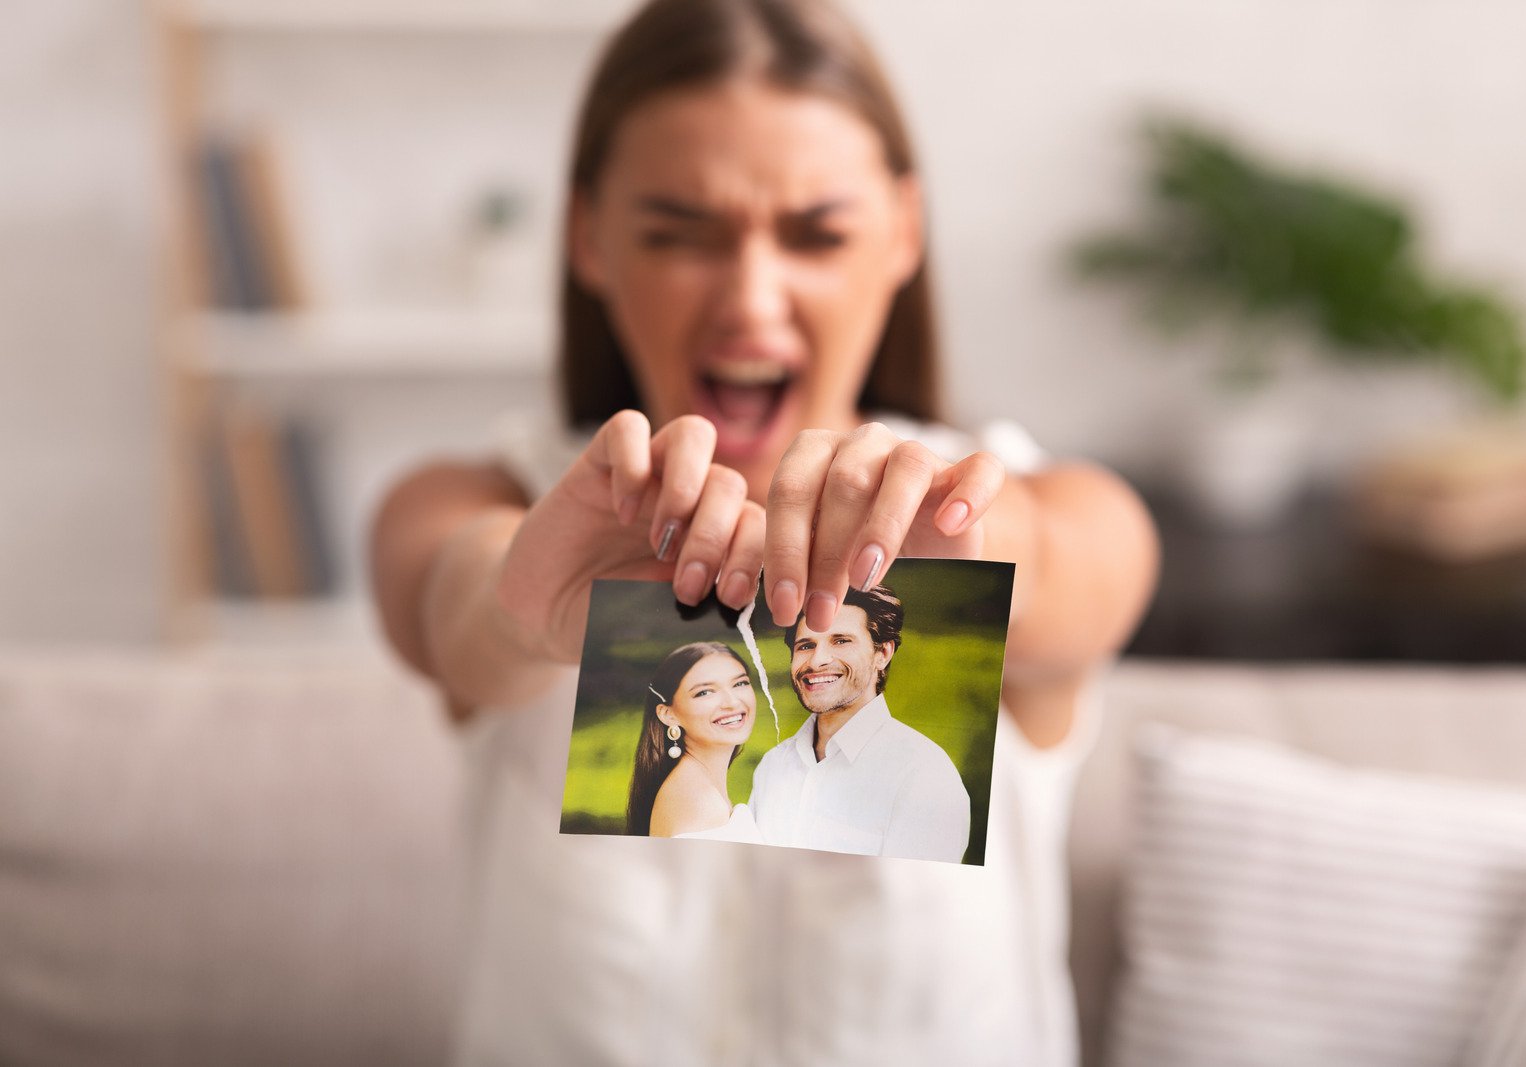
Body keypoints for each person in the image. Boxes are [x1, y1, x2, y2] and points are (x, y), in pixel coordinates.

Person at [369, 0, 1159, 1062]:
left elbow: (1091, 569)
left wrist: (974, 530)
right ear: (588, 236)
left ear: (902, 234)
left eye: (816, 234)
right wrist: (524, 606)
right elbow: (448, 593)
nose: (750, 299)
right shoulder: (487, 493)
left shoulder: (1023, 500)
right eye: (677, 233)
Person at [751, 584, 971, 862]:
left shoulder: (924, 775)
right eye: (806, 645)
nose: (817, 661)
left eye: (841, 641)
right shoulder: (773, 766)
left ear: (883, 654)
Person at [626, 641, 763, 842]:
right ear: (668, 714)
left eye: (740, 683)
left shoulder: (691, 787)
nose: (732, 702)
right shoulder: (702, 803)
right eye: (704, 692)